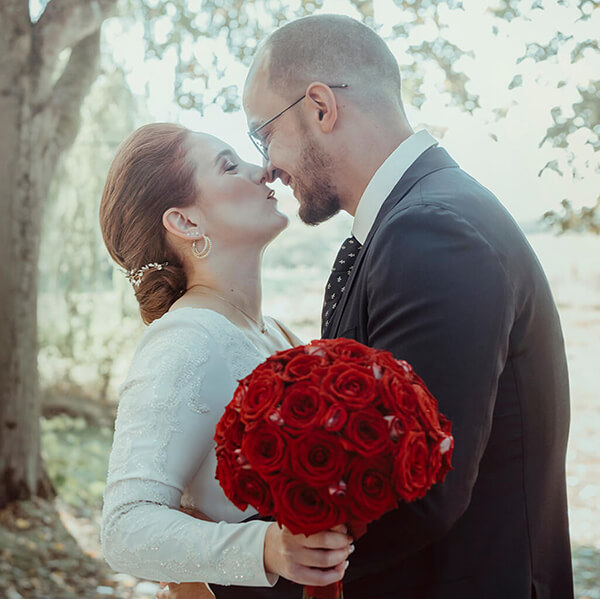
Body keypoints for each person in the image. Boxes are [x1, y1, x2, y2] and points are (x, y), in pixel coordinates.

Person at [236, 14, 574, 599]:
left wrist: (231, 574)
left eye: (262, 134)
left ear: (320, 107)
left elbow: (411, 490)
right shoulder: (422, 216)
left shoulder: (430, 232)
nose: (265, 165)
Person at [99, 123, 354, 598]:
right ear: (185, 222)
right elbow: (124, 526)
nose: (264, 172)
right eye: (229, 165)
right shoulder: (184, 339)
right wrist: (267, 549)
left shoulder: (274, 331)